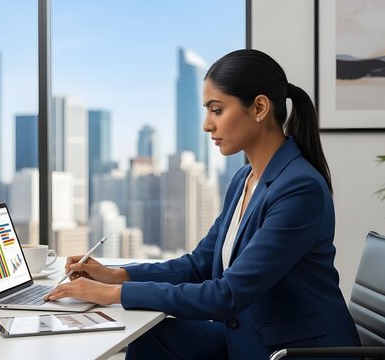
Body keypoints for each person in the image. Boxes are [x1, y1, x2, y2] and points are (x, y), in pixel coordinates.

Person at [45, 49, 361, 359]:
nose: (207, 125)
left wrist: (114, 295)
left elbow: (227, 294)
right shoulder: (245, 179)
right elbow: (199, 264)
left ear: (259, 108)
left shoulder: (299, 189)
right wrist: (117, 276)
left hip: (294, 350)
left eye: (217, 110)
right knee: (152, 339)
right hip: (254, 333)